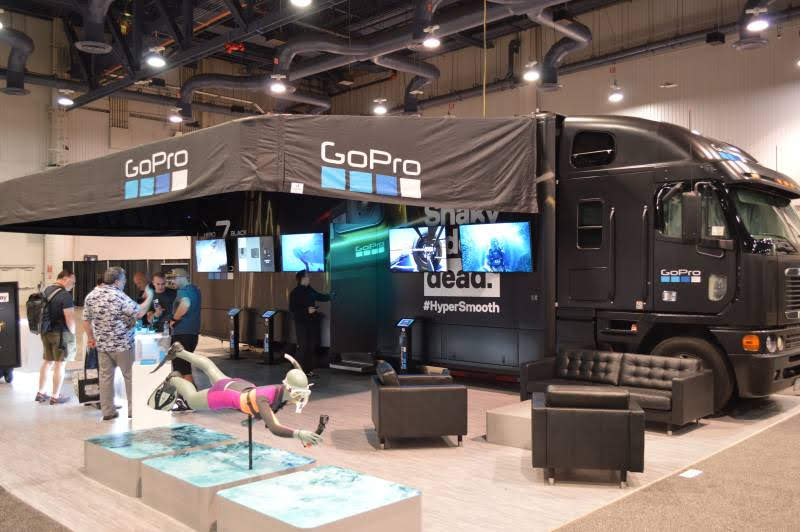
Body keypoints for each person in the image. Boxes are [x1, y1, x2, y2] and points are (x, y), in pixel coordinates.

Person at [148, 343, 323, 447]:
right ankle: (174, 379)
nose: (301, 398)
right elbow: (275, 427)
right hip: (227, 395)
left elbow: (268, 410)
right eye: (299, 394)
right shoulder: (264, 399)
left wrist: (253, 418)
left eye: (303, 394)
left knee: (212, 370)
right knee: (192, 400)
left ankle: (180, 351)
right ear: (290, 389)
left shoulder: (279, 390)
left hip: (240, 386)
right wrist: (299, 434)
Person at [83, 267, 152, 420]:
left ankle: (108, 411)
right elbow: (139, 313)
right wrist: (150, 297)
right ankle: (133, 410)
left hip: (102, 345)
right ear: (117, 281)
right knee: (129, 376)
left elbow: (86, 320)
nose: (124, 283)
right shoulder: (119, 296)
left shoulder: (91, 296)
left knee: (105, 378)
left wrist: (91, 338)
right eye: (124, 281)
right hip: (123, 345)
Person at [36, 270, 77, 405]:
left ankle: (41, 392)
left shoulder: (46, 291)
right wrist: (73, 333)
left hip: (45, 332)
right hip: (60, 334)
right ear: (65, 279)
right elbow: (69, 318)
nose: (73, 285)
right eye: (73, 282)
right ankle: (55, 396)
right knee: (60, 364)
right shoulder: (65, 296)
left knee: (47, 361)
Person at [289, 270, 331, 377]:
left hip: (311, 322)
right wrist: (306, 310)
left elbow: (319, 296)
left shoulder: (309, 289)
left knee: (311, 346)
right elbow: (293, 309)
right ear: (302, 279)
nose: (309, 278)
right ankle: (297, 372)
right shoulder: (295, 293)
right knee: (303, 346)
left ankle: (307, 370)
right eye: (308, 276)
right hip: (301, 323)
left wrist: (331, 296)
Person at [168, 268, 201, 383]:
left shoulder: (183, 291)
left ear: (182, 278)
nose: (172, 281)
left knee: (182, 369)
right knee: (185, 366)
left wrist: (174, 319)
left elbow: (185, 303)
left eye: (174, 278)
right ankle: (188, 392)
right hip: (192, 334)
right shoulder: (195, 289)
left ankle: (190, 393)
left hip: (181, 334)